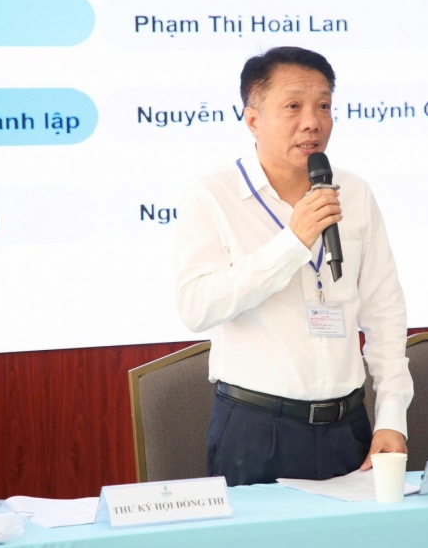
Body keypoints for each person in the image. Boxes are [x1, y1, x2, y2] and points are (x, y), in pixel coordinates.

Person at [174, 46, 413, 486]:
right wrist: (292, 242)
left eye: (323, 106)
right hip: (256, 428)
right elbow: (196, 307)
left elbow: (385, 313)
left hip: (349, 426)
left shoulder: (354, 192)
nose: (312, 122)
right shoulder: (213, 195)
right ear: (252, 119)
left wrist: (392, 416)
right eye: (293, 106)